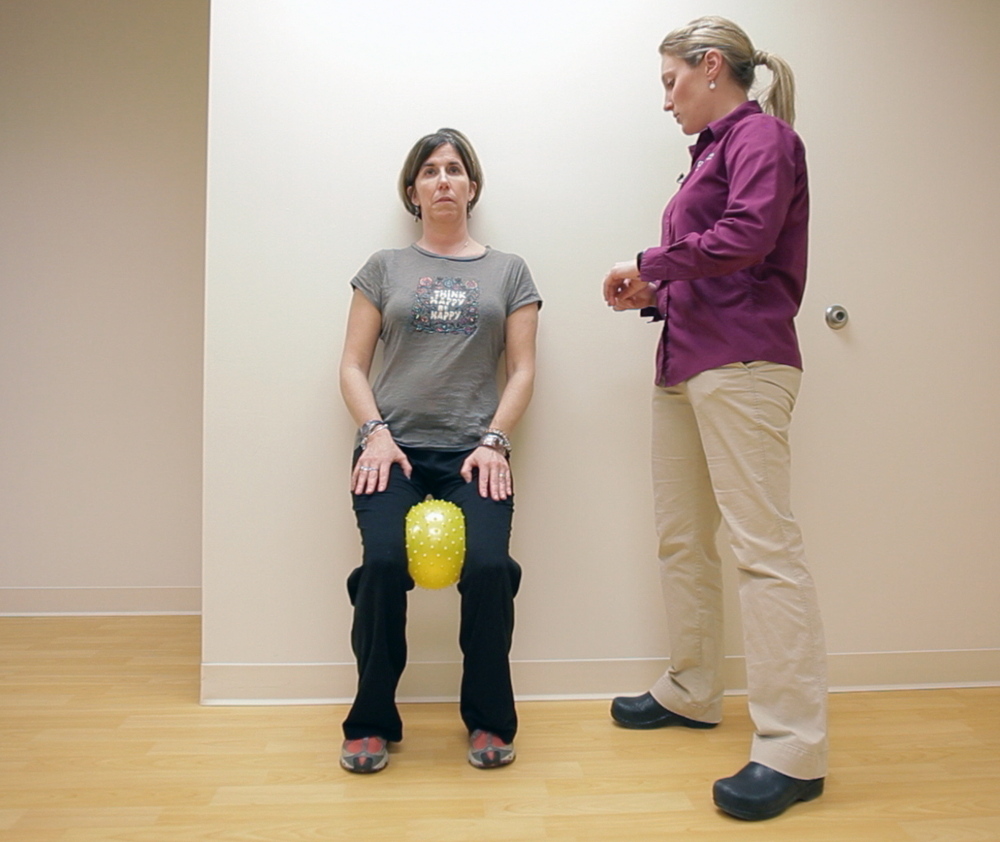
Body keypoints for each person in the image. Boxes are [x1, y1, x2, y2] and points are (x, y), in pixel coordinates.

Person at [601, 17, 828, 821]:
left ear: (709, 67)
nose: (666, 100)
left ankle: (794, 747)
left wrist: (649, 264)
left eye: (670, 82)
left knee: (765, 549)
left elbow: (748, 236)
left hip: (742, 362)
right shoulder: (706, 154)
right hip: (687, 361)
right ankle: (694, 687)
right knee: (682, 535)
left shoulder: (761, 137)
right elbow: (721, 255)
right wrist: (655, 292)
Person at [338, 128, 541, 773]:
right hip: (389, 449)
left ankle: (488, 720)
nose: (444, 180)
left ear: (472, 188)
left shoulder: (509, 271)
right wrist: (375, 432)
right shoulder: (383, 268)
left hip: (475, 455)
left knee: (486, 569)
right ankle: (370, 721)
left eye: (455, 170)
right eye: (430, 171)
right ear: (413, 190)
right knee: (384, 566)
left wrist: (495, 442)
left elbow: (523, 369)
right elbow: (350, 365)